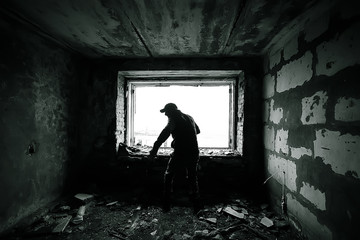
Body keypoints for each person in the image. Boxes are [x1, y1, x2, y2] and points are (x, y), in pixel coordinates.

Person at [148, 103, 201, 213]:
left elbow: (163, 136)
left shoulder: (173, 119)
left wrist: (153, 152)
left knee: (168, 175)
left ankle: (166, 204)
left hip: (181, 152)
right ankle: (196, 205)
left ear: (171, 111)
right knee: (192, 176)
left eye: (166, 112)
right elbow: (198, 131)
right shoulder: (189, 117)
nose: (165, 114)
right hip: (194, 151)